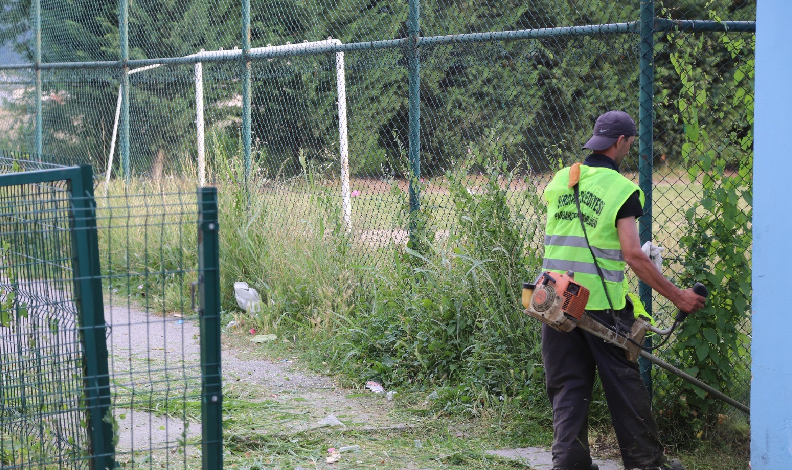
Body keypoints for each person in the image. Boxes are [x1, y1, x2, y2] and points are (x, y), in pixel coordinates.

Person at [539, 110, 706, 470]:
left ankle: (569, 463)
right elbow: (632, 253)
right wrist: (679, 296)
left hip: (554, 297)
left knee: (567, 384)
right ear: (621, 143)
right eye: (630, 142)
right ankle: (647, 464)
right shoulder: (622, 190)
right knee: (624, 384)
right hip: (599, 304)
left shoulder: (561, 180)